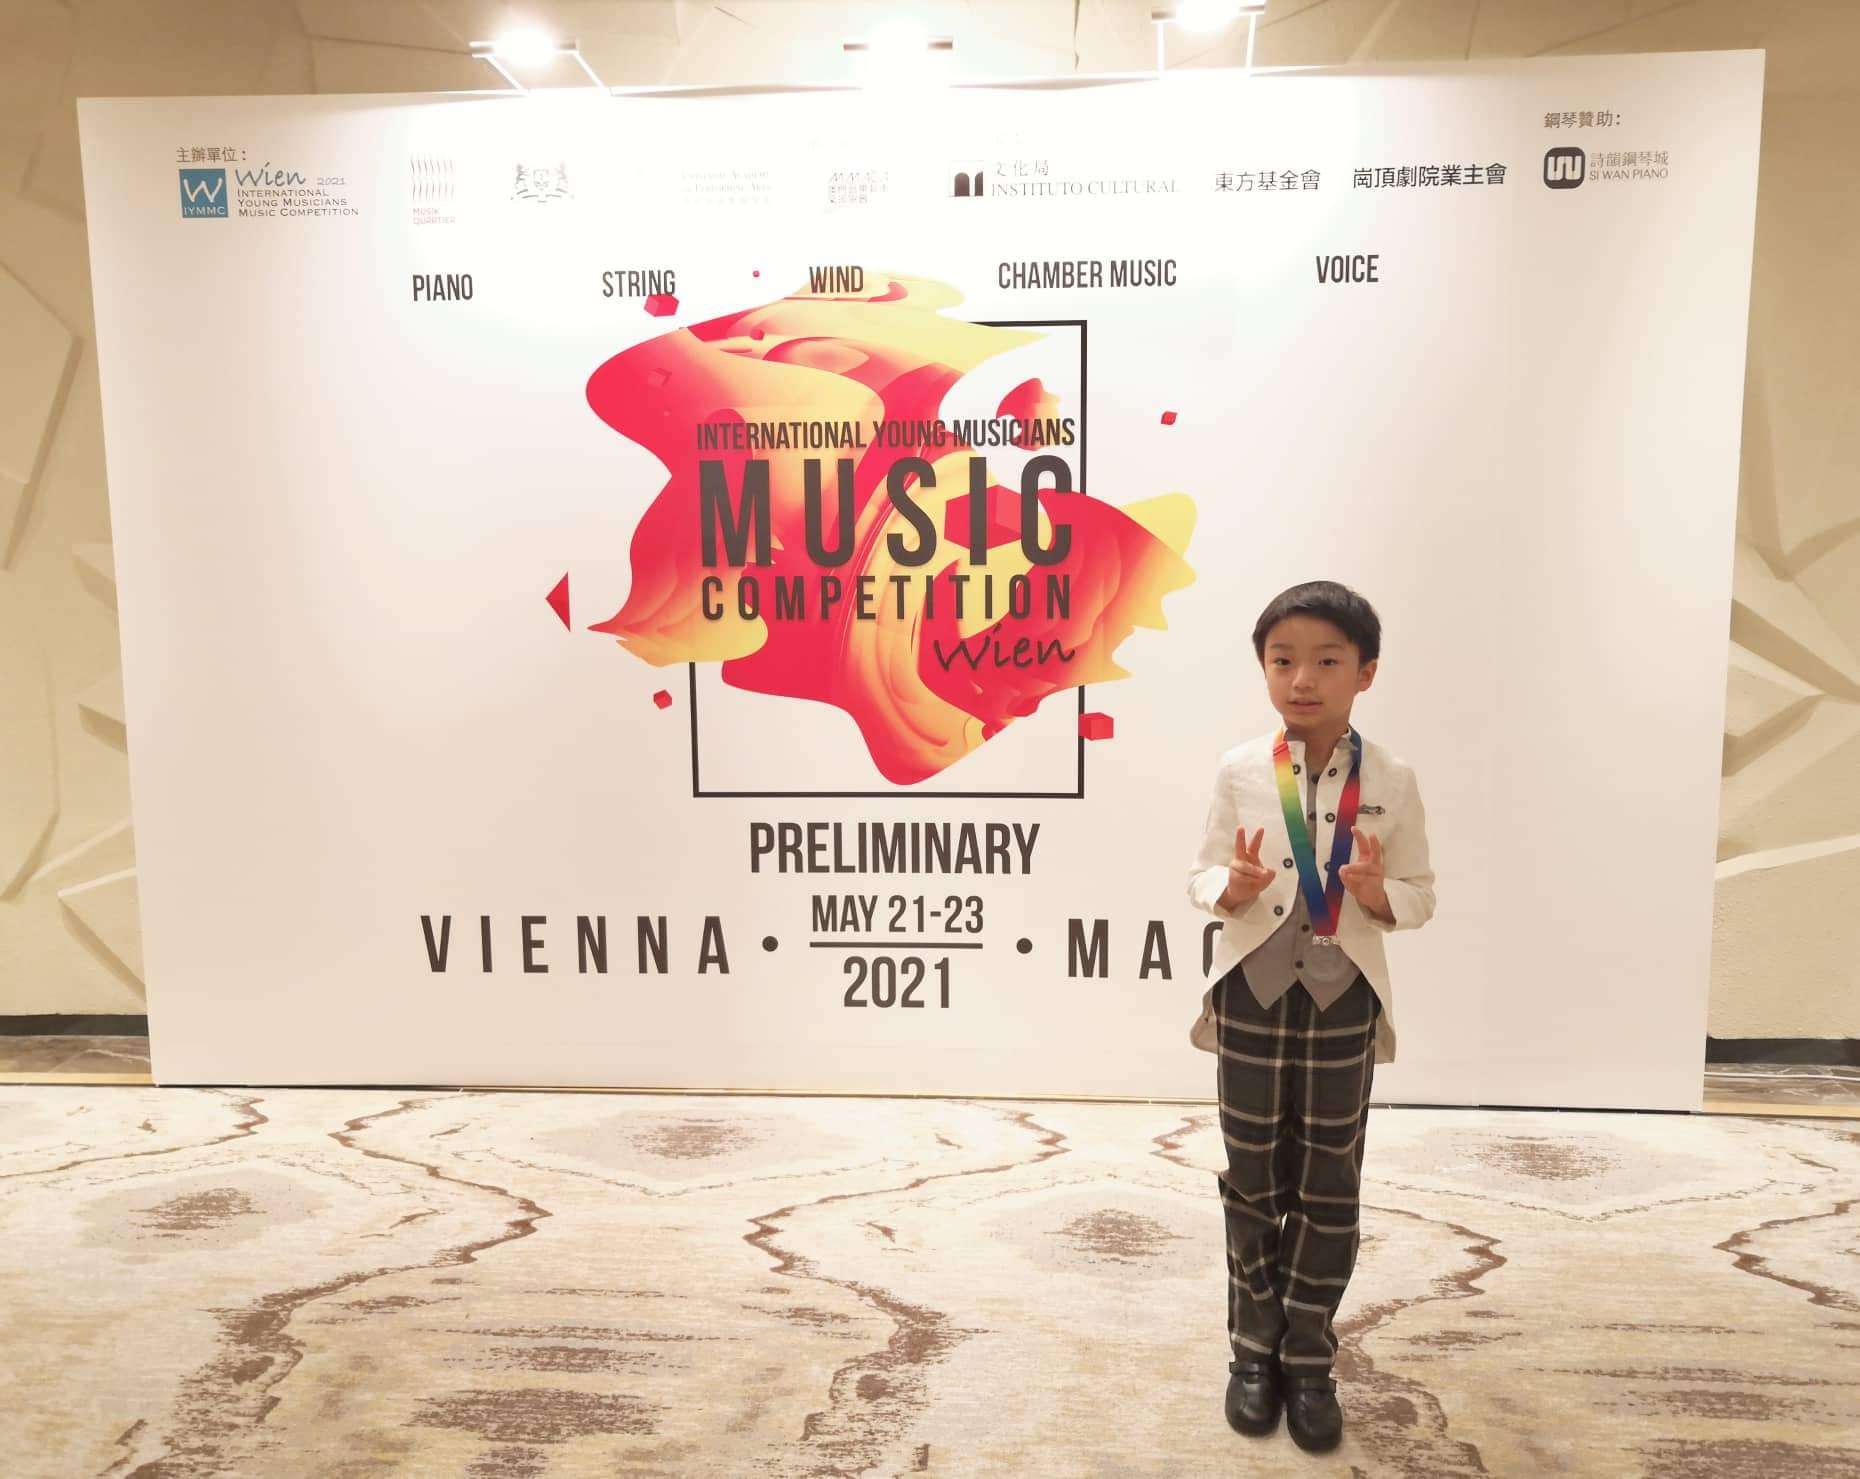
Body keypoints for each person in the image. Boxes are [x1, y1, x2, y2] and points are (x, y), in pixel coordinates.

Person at [1185, 580, 1437, 1454]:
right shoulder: (1240, 769)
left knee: (1330, 1184)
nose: (1302, 679)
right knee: (1252, 1177)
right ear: (1263, 667)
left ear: (1365, 672)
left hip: (1342, 1000)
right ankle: (1252, 1354)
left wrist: (1377, 892)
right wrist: (1231, 887)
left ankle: (1310, 1357)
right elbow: (1199, 876)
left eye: (1327, 660)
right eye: (1282, 659)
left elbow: (1422, 892)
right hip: (1252, 995)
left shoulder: (1393, 779)